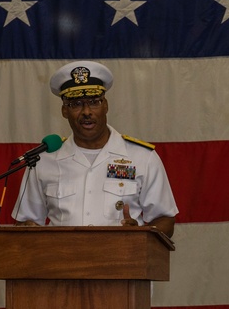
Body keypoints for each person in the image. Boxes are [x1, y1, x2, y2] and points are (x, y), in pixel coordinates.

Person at [12, 60, 178, 238]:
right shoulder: (44, 161)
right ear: (64, 111)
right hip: (61, 262)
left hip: (122, 263)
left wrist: (139, 234)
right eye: (76, 104)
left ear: (105, 105)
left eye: (93, 102)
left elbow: (165, 220)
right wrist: (27, 230)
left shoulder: (142, 157)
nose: (86, 112)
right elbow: (26, 221)